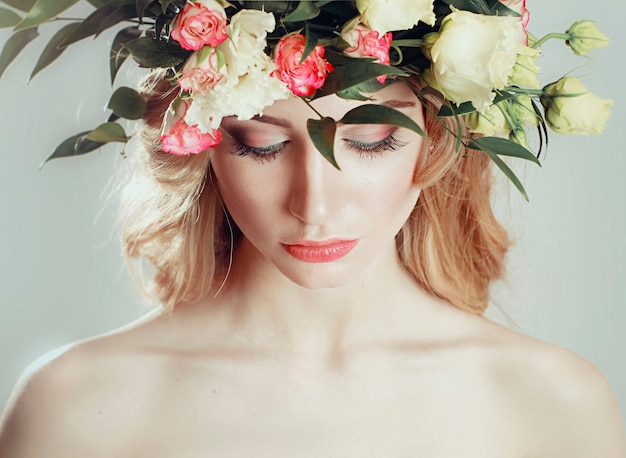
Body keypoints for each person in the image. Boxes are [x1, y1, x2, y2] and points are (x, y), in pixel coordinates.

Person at [0, 1, 624, 456]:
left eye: (372, 141)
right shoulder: (76, 407)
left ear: (436, 141)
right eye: (262, 146)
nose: (314, 204)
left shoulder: (553, 401)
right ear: (201, 143)